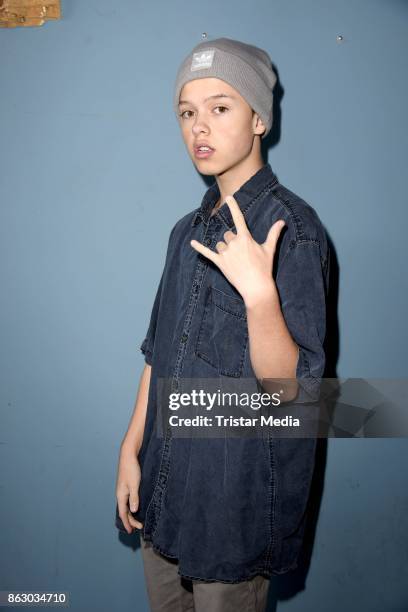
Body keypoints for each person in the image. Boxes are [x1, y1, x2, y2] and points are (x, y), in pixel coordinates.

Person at [115, 37, 330, 612]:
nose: (198, 128)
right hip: (165, 486)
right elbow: (158, 351)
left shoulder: (295, 231)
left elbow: (294, 395)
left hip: (230, 504)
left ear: (258, 117)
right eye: (187, 112)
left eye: (220, 107)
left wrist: (259, 296)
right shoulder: (185, 229)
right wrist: (131, 446)